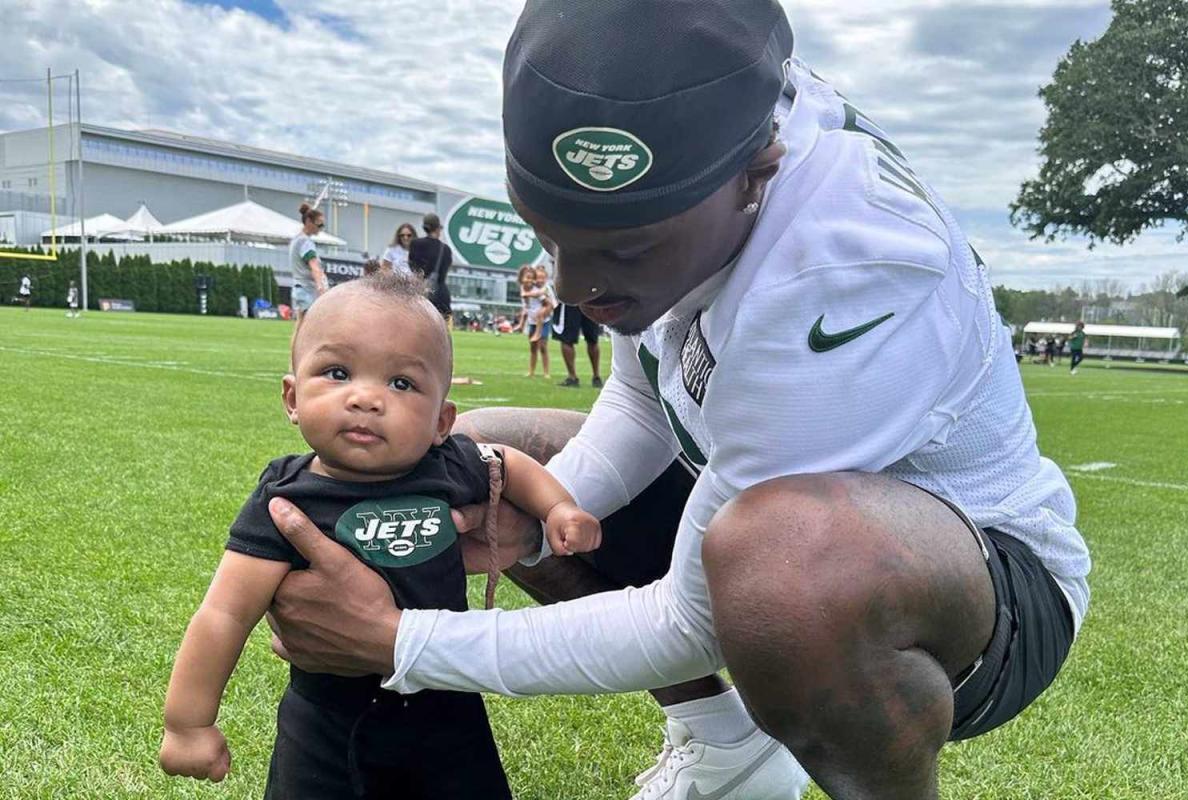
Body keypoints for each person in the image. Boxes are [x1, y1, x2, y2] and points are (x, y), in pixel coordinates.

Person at [264, 3, 1090, 799]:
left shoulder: (840, 270)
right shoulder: (694, 124)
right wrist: (540, 511)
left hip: (986, 586)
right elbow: (643, 393)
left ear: (754, 177)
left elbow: (686, 622)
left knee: (783, 570)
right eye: (554, 236)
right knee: (485, 461)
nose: (577, 288)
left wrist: (402, 642)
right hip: (763, 512)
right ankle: (724, 743)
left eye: (624, 248)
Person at [158, 272, 600, 797]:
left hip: (448, 704)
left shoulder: (447, 465)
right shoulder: (285, 499)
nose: (366, 398)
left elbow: (508, 462)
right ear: (292, 396)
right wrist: (188, 723)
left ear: (442, 420)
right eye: (337, 372)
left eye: (402, 383)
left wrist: (558, 508)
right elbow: (224, 613)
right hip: (327, 722)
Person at [411, 213, 454, 329]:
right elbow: (446, 270)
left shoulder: (415, 244)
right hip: (441, 293)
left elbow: (413, 268)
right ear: (438, 228)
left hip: (421, 292)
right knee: (443, 331)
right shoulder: (446, 249)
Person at [289, 203, 328, 322]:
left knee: (300, 328)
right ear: (308, 221)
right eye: (319, 224)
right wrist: (322, 289)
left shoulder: (297, 240)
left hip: (300, 290)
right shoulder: (305, 242)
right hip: (308, 291)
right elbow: (314, 267)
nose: (321, 227)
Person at [515, 265, 552, 377]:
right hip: (532, 322)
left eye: (531, 278)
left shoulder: (536, 291)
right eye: (527, 277)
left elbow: (547, 303)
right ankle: (531, 371)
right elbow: (526, 308)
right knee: (533, 347)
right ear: (521, 279)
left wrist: (543, 312)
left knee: (543, 346)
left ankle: (546, 372)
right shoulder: (523, 291)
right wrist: (521, 323)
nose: (529, 280)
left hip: (543, 321)